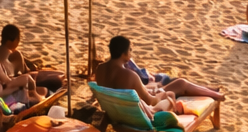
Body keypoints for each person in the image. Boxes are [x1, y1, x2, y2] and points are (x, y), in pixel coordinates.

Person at [95, 34, 224, 106]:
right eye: (130, 50)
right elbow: (150, 101)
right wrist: (161, 94)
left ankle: (210, 90)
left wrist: (153, 88)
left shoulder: (100, 70)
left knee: (162, 83)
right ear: (123, 54)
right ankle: (216, 96)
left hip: (117, 111)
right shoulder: (129, 75)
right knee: (181, 83)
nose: (131, 53)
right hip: (142, 110)